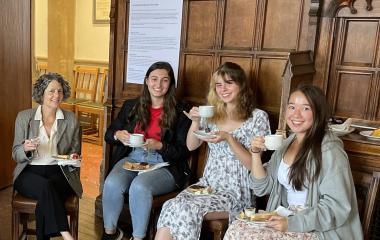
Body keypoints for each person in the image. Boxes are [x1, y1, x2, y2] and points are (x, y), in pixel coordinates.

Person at [224, 85, 363, 240]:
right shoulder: (286, 144)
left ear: (318, 113)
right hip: (286, 217)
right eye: (292, 107)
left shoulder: (330, 151)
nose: (296, 114)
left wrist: (292, 223)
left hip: (317, 228)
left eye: (305, 108)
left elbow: (336, 207)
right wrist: (255, 155)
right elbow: (261, 188)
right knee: (237, 230)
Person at [155, 62, 271, 240]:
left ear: (241, 85)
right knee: (171, 205)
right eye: (218, 85)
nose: (223, 89)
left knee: (185, 209)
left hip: (237, 192)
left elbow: (251, 165)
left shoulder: (258, 117)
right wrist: (195, 121)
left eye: (229, 83)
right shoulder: (212, 114)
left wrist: (229, 138)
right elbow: (191, 146)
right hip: (206, 187)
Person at [101, 61, 192, 240]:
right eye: (154, 79)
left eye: (164, 80)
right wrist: (118, 135)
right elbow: (109, 134)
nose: (158, 85)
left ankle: (138, 237)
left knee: (140, 187)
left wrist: (160, 146)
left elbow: (183, 151)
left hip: (164, 164)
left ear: (170, 84)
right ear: (146, 81)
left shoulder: (182, 110)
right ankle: (110, 233)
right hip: (134, 157)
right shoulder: (131, 106)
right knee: (111, 184)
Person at [12, 73, 82, 240]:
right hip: (28, 172)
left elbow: (75, 154)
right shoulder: (24, 117)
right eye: (51, 91)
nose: (56, 95)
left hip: (60, 172)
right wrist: (26, 148)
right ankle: (66, 234)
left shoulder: (71, 119)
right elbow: (16, 153)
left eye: (59, 91)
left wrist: (73, 157)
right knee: (46, 187)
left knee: (47, 189)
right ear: (41, 93)